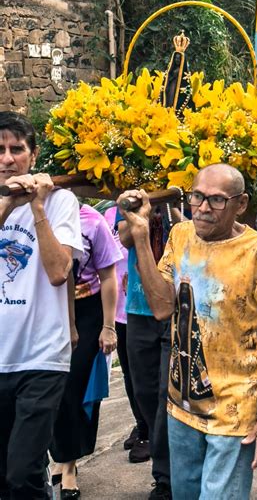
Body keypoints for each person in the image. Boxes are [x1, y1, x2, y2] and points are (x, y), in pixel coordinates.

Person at [118, 163, 257, 500]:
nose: (202, 208)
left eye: (216, 200)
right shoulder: (181, 235)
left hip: (233, 409)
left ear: (240, 204)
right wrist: (141, 237)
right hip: (181, 403)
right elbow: (161, 308)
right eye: (197, 197)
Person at [0, 112, 83, 500]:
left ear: (32, 156)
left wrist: (37, 207)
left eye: (17, 149)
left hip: (41, 356)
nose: (7, 158)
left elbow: (57, 272)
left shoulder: (61, 201)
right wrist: (7, 204)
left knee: (21, 470)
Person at [50, 203, 121, 499]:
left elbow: (108, 277)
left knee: (73, 389)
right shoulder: (39, 213)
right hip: (47, 308)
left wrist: (108, 326)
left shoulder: (92, 221)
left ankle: (68, 465)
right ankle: (60, 453)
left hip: (88, 311)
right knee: (48, 388)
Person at [116, 204, 172, 500]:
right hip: (138, 307)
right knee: (145, 392)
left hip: (178, 305)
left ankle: (165, 477)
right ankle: (162, 456)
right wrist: (140, 209)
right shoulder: (133, 195)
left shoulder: (192, 188)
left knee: (168, 394)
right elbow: (125, 238)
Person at [103, 205, 150, 462]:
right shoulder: (110, 214)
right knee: (132, 375)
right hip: (123, 309)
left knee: (148, 376)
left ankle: (151, 431)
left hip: (149, 303)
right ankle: (142, 424)